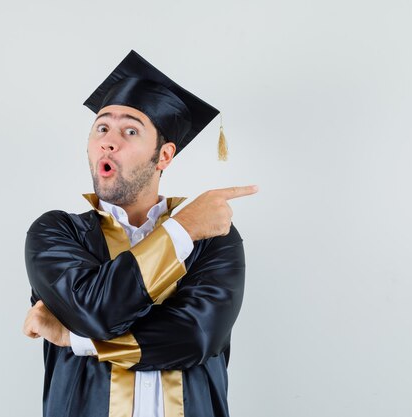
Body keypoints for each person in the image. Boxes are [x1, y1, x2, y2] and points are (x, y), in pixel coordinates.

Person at [23, 50, 258, 417]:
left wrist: (74, 338)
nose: (108, 141)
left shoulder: (214, 236)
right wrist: (181, 230)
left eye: (130, 130)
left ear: (164, 156)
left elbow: (194, 338)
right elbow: (95, 311)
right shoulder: (58, 233)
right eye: (101, 127)